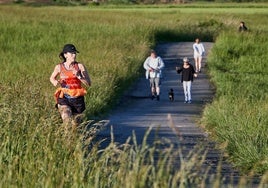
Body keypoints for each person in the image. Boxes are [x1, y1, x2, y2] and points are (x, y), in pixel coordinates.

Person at [50, 44, 91, 128]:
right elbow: (51, 78)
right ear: (65, 55)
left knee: (76, 125)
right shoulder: (59, 67)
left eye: (75, 53)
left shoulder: (80, 66)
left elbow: (88, 83)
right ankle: (66, 138)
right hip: (64, 97)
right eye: (71, 53)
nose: (74, 55)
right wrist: (54, 81)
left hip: (77, 99)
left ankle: (73, 139)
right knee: (66, 117)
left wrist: (79, 76)